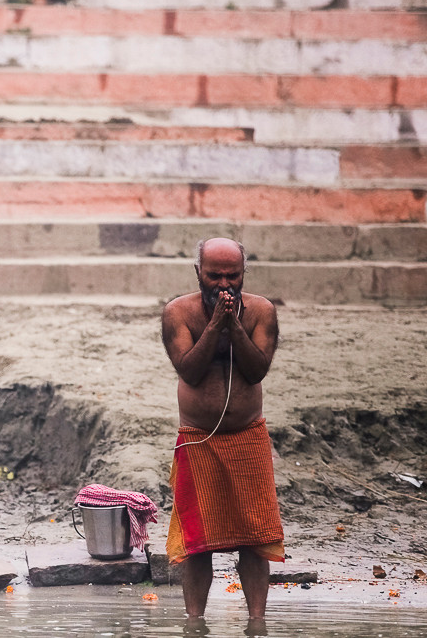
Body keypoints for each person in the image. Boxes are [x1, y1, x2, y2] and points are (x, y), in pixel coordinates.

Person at [160, 238, 284, 621]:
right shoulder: (178, 312)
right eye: (215, 276)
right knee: (198, 542)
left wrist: (236, 327)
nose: (224, 284)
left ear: (244, 273)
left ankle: (257, 621)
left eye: (233, 276)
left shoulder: (261, 311)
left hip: (248, 435)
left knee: (255, 538)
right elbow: (190, 371)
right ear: (198, 272)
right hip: (199, 439)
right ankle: (194, 621)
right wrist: (215, 326)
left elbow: (257, 370)